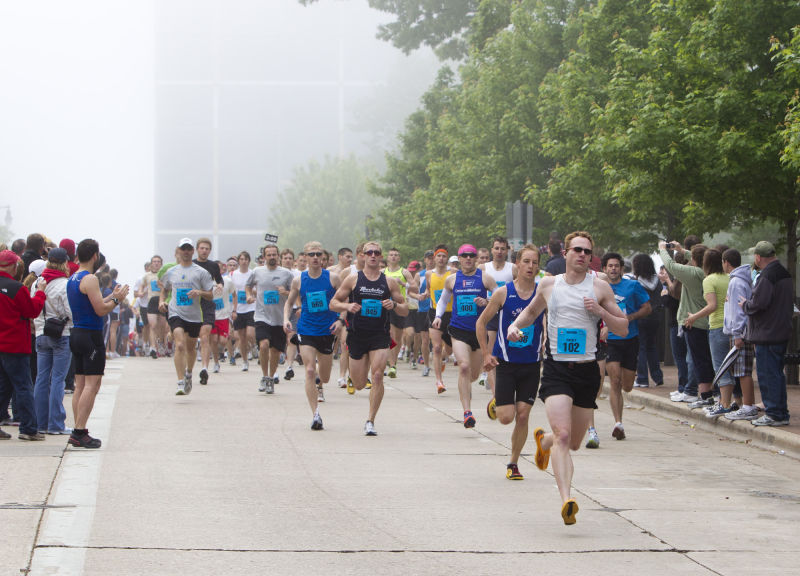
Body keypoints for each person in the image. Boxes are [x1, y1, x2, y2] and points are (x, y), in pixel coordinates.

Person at [510, 231, 627, 525]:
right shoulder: (550, 284)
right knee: (564, 435)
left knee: (573, 442)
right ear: (565, 253)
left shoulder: (600, 287)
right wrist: (514, 325)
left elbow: (623, 327)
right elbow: (532, 312)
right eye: (577, 250)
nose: (582, 255)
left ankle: (543, 441)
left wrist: (600, 311)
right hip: (557, 369)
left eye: (587, 252)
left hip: (587, 371)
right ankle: (567, 500)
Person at [477, 244, 544, 480]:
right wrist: (486, 354)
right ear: (517, 264)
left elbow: (547, 322)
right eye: (526, 261)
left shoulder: (542, 293)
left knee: (523, 415)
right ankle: (498, 403)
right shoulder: (503, 293)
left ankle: (513, 463)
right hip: (505, 363)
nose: (530, 266)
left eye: (535, 262)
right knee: (507, 418)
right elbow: (481, 324)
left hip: (531, 364)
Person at [331, 241, 408, 435]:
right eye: (369, 252)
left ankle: (370, 420)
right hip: (357, 335)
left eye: (376, 252)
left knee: (377, 375)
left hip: (379, 335)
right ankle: (353, 378)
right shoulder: (353, 279)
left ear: (380, 256)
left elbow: (405, 308)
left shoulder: (388, 282)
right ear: (363, 256)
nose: (373, 255)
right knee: (358, 384)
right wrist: (347, 307)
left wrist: (394, 306)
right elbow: (333, 303)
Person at [67, 240, 129, 448]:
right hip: (90, 335)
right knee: (92, 385)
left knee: (81, 385)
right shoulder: (90, 278)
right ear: (95, 255)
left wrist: (113, 295)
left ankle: (79, 428)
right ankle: (79, 431)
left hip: (77, 332)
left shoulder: (73, 277)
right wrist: (118, 300)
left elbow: (94, 302)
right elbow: (101, 310)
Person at [433, 244, 498, 428]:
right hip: (458, 330)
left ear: (476, 258)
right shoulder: (452, 280)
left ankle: (466, 388)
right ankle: (467, 413)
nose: (468, 258)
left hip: (478, 332)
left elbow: (499, 299)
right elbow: (443, 301)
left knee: (474, 375)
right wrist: (438, 317)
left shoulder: (485, 279)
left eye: (471, 255)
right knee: (463, 367)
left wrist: (487, 301)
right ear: (459, 259)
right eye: (464, 255)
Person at [283, 242, 342, 430]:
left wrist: (341, 320)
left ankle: (319, 377)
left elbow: (346, 300)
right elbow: (289, 302)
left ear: (323, 258)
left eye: (318, 254)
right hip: (306, 329)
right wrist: (286, 318)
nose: (315, 257)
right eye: (312, 255)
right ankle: (315, 415)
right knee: (309, 370)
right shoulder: (298, 280)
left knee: (323, 376)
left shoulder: (333, 278)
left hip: (327, 330)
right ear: (306, 258)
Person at [740, 241, 793, 426]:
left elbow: (759, 303)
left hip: (767, 333)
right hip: (781, 330)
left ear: (758, 257)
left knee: (768, 374)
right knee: (776, 373)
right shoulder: (784, 273)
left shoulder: (767, 275)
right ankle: (780, 412)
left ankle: (774, 413)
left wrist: (745, 305)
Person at [0, 249, 47, 441]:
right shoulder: (16, 288)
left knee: (3, 387)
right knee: (23, 386)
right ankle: (28, 428)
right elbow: (32, 310)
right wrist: (41, 294)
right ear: (13, 266)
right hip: (16, 345)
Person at [603, 252, 651, 440]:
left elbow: (647, 307)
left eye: (616, 266)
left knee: (627, 386)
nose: (613, 269)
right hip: (611, 340)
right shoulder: (600, 287)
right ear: (604, 269)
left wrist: (630, 317)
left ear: (622, 268)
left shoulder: (632, 286)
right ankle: (618, 423)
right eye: (610, 266)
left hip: (630, 338)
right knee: (614, 380)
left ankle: (620, 414)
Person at [659, 241, 713, 405]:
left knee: (698, 360)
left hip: (694, 322)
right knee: (706, 359)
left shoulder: (694, 273)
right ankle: (713, 394)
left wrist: (663, 249)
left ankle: (702, 395)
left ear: (694, 260)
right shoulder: (709, 272)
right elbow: (702, 257)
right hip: (707, 321)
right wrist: (682, 250)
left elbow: (670, 265)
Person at [159, 238, 214, 396]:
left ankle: (189, 373)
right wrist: (162, 301)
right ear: (179, 250)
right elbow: (165, 289)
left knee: (190, 348)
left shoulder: (201, 272)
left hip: (194, 315)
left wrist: (199, 293)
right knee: (180, 345)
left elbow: (210, 295)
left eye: (189, 249)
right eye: (183, 249)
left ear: (193, 251)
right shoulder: (171, 272)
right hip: (176, 312)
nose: (186, 251)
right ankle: (180, 381)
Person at [685, 249, 733, 416]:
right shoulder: (728, 278)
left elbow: (712, 305)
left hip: (717, 326)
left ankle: (724, 404)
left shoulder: (709, 280)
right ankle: (729, 401)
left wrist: (693, 317)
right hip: (731, 327)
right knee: (732, 366)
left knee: (720, 367)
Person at [33, 248, 73, 435]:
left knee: (41, 379)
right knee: (58, 379)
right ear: (64, 262)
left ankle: (40, 423)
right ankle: (55, 424)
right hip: (61, 335)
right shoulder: (64, 284)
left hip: (41, 334)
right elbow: (70, 312)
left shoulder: (37, 283)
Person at [247, 244, 293, 394]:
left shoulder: (286, 274)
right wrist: (249, 295)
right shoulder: (257, 271)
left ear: (278, 256)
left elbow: (294, 294)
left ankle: (271, 378)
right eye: (269, 255)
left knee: (275, 351)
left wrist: (285, 292)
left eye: (274, 254)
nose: (272, 257)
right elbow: (248, 286)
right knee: (264, 345)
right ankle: (264, 376)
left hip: (279, 318)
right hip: (261, 315)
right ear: (264, 257)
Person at [479, 236, 517, 413]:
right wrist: (481, 300)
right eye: (497, 248)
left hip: (510, 316)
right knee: (493, 351)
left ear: (507, 251)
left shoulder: (513, 269)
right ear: (492, 250)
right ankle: (497, 395)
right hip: (491, 315)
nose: (500, 251)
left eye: (503, 248)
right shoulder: (483, 268)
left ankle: (509, 384)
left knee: (509, 352)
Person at [721, 249, 758, 420]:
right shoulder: (743, 279)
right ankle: (747, 404)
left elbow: (737, 311)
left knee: (743, 371)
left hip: (740, 333)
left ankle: (748, 405)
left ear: (726, 262)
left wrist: (737, 333)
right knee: (742, 370)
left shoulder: (735, 282)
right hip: (745, 331)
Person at [192, 237, 225, 385]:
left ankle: (204, 368)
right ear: (197, 249)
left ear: (209, 251)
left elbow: (220, 280)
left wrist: (219, 286)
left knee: (205, 336)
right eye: (202, 248)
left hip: (207, 303)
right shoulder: (191, 265)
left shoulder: (213, 266)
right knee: (191, 340)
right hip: (191, 305)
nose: (204, 251)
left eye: (207, 248)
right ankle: (189, 367)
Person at [383, 248, 416, 378]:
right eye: (391, 255)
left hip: (399, 305)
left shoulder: (404, 272)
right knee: (390, 335)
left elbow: (415, 287)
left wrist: (402, 283)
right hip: (385, 306)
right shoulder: (382, 272)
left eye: (396, 255)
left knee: (396, 338)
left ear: (399, 258)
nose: (393, 257)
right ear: (387, 257)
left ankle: (393, 363)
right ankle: (390, 363)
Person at [632, 253, 664, 388]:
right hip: (655, 317)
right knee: (652, 347)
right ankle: (657, 377)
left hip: (642, 317)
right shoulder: (658, 281)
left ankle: (642, 379)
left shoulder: (637, 282)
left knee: (641, 348)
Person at [426, 246, 453, 393]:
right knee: (436, 347)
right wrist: (423, 295)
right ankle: (439, 381)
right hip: (434, 313)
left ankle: (443, 358)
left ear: (447, 258)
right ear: (434, 258)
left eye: (444, 256)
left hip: (451, 314)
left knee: (449, 349)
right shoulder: (429, 274)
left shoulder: (453, 273)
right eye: (439, 256)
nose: (441, 259)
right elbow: (428, 289)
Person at [231, 251, 256, 370]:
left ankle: (255, 346)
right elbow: (231, 290)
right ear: (238, 261)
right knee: (241, 337)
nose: (244, 261)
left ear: (249, 261)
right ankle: (245, 360)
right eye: (241, 259)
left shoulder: (253, 273)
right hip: (239, 308)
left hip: (251, 307)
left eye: (246, 259)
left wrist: (251, 293)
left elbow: (257, 288)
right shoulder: (233, 274)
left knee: (250, 334)